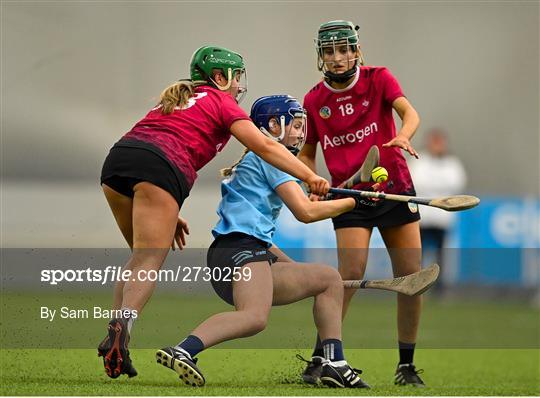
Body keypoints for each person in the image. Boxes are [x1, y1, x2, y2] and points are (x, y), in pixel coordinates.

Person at [97, 46, 330, 379]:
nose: (239, 87)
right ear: (220, 77)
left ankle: (115, 334)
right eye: (236, 79)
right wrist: (309, 175)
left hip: (119, 161)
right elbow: (265, 146)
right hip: (161, 169)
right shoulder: (222, 103)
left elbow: (150, 146)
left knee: (139, 257)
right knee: (150, 260)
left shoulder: (178, 98)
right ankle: (123, 325)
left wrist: (165, 209)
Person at [156, 95, 370, 388]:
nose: (300, 132)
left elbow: (260, 236)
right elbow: (305, 212)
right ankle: (184, 350)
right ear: (272, 125)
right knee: (255, 318)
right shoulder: (272, 156)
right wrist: (352, 204)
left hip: (238, 252)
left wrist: (295, 270)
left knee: (326, 279)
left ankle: (331, 362)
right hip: (240, 252)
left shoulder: (259, 159)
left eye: (301, 125)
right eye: (294, 125)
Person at [297, 21, 426, 387]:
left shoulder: (380, 78)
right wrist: (311, 179)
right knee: (347, 279)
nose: (337, 59)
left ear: (356, 51)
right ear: (320, 56)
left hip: (394, 188)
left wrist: (402, 136)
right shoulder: (313, 100)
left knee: (411, 280)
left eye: (344, 50)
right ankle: (322, 357)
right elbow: (308, 152)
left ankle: (406, 365)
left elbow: (409, 113)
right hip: (348, 197)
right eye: (329, 52)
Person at [409, 128, 467, 294]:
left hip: (443, 218)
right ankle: (417, 285)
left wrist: (432, 187)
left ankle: (439, 288)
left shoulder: (452, 164)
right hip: (422, 217)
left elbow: (456, 184)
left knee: (441, 255)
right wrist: (438, 187)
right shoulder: (419, 161)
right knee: (417, 254)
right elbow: (416, 183)